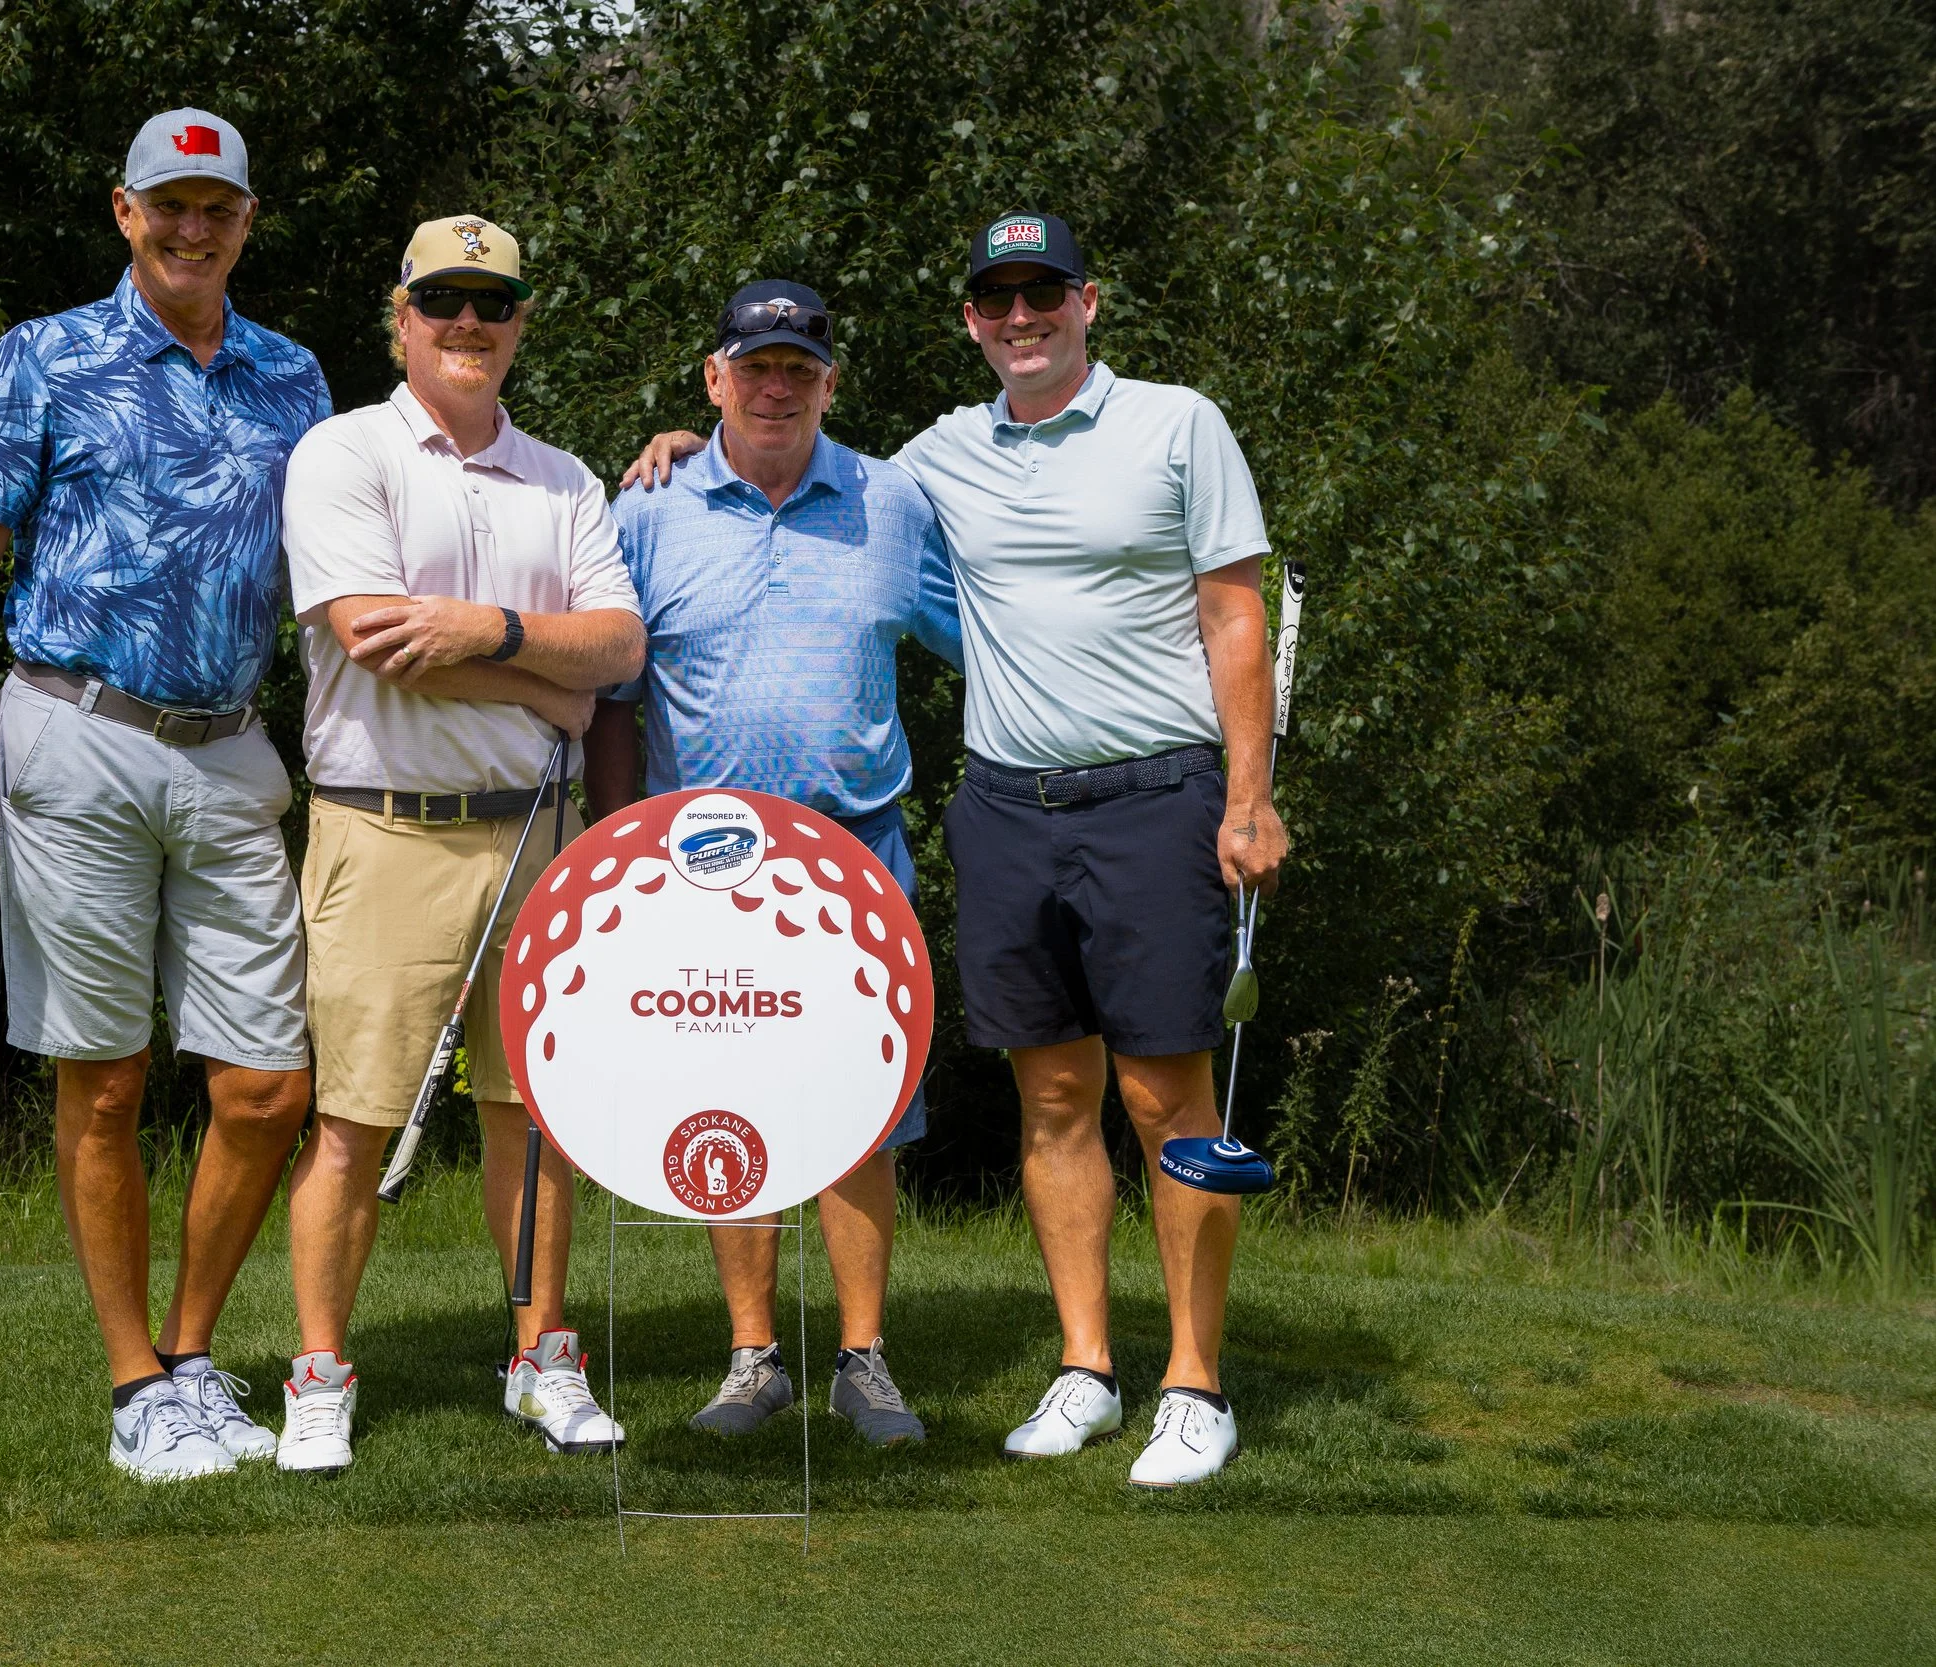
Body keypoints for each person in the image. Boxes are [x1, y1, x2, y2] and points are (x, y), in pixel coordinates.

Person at [620, 213, 1288, 1487]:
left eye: (1043, 293)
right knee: (1048, 1096)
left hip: (1150, 796)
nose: (1021, 316)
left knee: (1163, 1098)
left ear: (1087, 302)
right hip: (994, 810)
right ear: (971, 322)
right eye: (998, 299)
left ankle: (1195, 1382)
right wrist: (674, 451)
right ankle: (1086, 1367)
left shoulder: (1159, 425)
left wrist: (1246, 795)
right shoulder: (931, 461)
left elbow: (1232, 611)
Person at [0, 110, 326, 1482]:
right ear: (123, 211)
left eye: (218, 208)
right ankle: (135, 1378)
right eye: (169, 205)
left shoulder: (292, 376)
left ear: (246, 222)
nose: (193, 229)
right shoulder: (46, 356)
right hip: (74, 731)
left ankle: (197, 1356)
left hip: (231, 746)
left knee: (265, 1083)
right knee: (105, 1079)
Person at [276, 215, 646, 1473]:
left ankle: (542, 1357)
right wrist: (543, 678)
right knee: (355, 1119)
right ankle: (319, 1372)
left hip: (541, 839)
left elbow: (619, 649)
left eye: (492, 303)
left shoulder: (565, 478)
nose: (469, 323)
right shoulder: (345, 451)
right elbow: (378, 636)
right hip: (384, 830)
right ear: (401, 314)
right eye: (443, 299)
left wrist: (481, 630)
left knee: (531, 1115)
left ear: (520, 322)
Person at [586, 281, 961, 1448]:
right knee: (730, 1097)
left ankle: (862, 1355)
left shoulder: (892, 503)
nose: (777, 385)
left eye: (800, 366)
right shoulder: (646, 509)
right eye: (756, 365)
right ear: (714, 378)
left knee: (861, 1114)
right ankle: (754, 1355)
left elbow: (984, 638)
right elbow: (610, 698)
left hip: (857, 856)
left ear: (830, 384)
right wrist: (614, 851)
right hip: (700, 870)